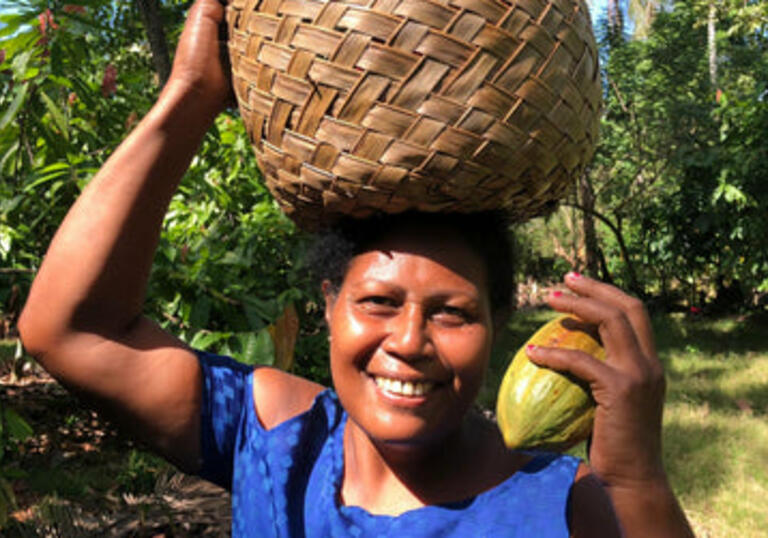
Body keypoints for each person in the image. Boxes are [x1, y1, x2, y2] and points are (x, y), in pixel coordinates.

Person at [18, 1, 695, 536]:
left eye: (453, 312)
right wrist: (190, 94)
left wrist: (637, 480)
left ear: (501, 323)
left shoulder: (569, 509)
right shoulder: (280, 441)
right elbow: (70, 332)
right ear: (328, 305)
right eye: (377, 303)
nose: (408, 342)